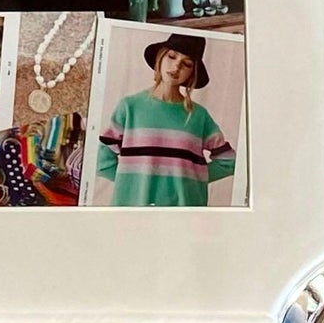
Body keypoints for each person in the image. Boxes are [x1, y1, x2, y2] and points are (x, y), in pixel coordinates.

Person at [96, 33, 235, 207]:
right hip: (132, 212)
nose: (176, 66)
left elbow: (228, 161)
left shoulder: (199, 116)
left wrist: (193, 180)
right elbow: (102, 161)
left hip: (182, 213)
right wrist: (132, 184)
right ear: (160, 57)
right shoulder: (129, 107)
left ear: (192, 73)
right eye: (172, 56)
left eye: (187, 64)